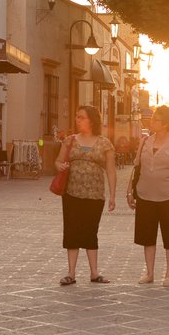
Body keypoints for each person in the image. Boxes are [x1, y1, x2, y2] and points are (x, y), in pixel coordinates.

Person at [126, 105, 169, 287]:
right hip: (145, 195)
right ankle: (149, 272)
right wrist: (130, 191)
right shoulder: (145, 142)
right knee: (147, 236)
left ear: (166, 124)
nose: (152, 121)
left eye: (156, 119)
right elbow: (136, 167)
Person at [55, 105, 117, 286]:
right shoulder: (69, 140)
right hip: (71, 193)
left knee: (91, 231)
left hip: (94, 194)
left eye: (81, 117)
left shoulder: (105, 143)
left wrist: (113, 195)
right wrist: (59, 166)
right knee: (72, 231)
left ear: (91, 120)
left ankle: (94, 272)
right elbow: (58, 161)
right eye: (77, 116)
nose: (77, 119)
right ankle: (71, 273)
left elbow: (111, 171)